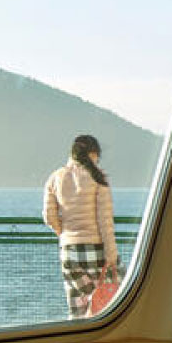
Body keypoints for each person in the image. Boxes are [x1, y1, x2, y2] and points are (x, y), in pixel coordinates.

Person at [43, 134, 120, 319]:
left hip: (68, 252)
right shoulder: (98, 177)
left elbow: (49, 216)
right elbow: (105, 220)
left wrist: (64, 234)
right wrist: (111, 254)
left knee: (77, 310)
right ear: (93, 154)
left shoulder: (55, 177)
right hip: (97, 250)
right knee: (113, 305)